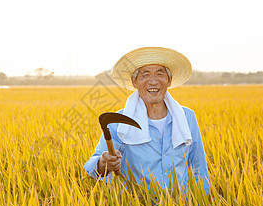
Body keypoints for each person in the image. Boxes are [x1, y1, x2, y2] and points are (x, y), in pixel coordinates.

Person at [84, 47, 209, 196]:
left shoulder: (187, 117)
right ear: (134, 81)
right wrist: (103, 163)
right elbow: (91, 168)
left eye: (160, 73)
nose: (153, 81)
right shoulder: (119, 122)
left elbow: (199, 168)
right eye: (145, 74)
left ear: (169, 80)